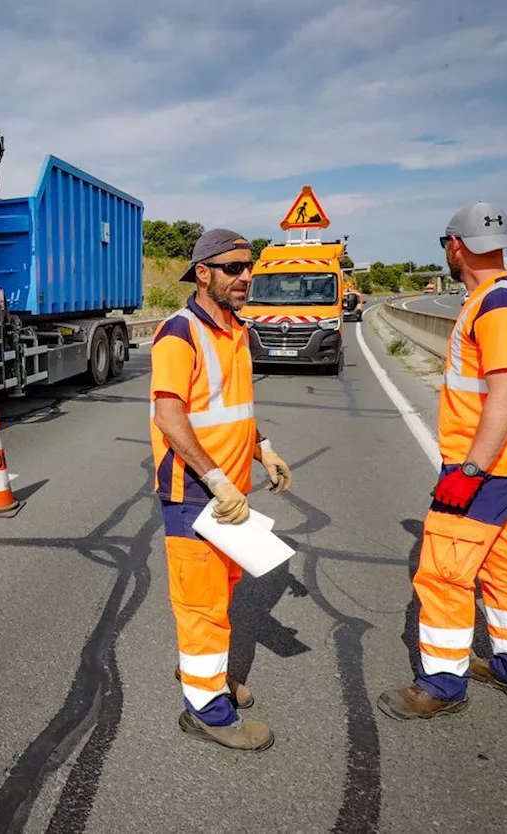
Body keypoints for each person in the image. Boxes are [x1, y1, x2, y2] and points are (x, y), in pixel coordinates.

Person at [379, 201, 507, 720]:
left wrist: (469, 470)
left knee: (443, 571)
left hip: (486, 465)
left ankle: (440, 686)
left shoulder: (498, 305)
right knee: (500, 565)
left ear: (456, 246)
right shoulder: (501, 297)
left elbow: (506, 394)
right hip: (506, 462)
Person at [149, 228, 295, 751]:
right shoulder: (179, 333)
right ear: (203, 273)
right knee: (202, 606)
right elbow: (170, 414)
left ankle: (205, 675)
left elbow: (232, 409)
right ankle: (207, 710)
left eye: (248, 267)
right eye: (234, 269)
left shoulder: (234, 330)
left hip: (230, 496)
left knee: (223, 595)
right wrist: (214, 478)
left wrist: (264, 449)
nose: (246, 277)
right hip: (195, 495)